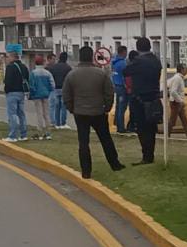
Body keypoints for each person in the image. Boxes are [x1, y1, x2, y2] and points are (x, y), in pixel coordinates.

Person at [63, 46, 125, 179]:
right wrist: (107, 108)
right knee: (106, 139)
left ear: (80, 57)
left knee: (83, 142)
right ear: (92, 57)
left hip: (80, 112)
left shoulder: (72, 74)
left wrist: (71, 108)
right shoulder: (100, 74)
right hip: (98, 111)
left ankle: (86, 171)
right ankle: (115, 164)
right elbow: (109, 92)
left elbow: (66, 94)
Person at [123, 38, 162, 165]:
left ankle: (146, 156)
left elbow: (126, 71)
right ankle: (150, 154)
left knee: (142, 128)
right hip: (154, 98)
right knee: (151, 128)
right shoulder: (156, 60)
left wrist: (130, 61)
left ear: (138, 48)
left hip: (140, 99)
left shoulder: (138, 61)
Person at [2, 51, 30, 142]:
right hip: (21, 92)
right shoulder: (24, 67)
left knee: (12, 114)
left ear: (12, 57)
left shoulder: (10, 67)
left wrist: (6, 90)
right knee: (21, 114)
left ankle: (13, 135)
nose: (7, 59)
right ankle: (23, 135)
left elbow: (8, 81)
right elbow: (27, 78)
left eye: (8, 57)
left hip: (12, 92)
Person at [28, 56, 55, 139]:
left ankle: (39, 131)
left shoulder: (33, 73)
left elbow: (31, 85)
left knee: (39, 113)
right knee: (46, 113)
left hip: (37, 95)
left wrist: (32, 94)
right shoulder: (47, 73)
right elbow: (52, 84)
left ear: (35, 63)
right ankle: (48, 132)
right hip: (46, 95)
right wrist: (48, 91)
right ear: (43, 63)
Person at [167, 64, 187, 140]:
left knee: (184, 120)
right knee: (172, 121)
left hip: (178, 103)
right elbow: (173, 91)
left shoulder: (179, 78)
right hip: (176, 103)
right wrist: (180, 101)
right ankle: (167, 135)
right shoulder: (177, 78)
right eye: (186, 69)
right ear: (182, 70)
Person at [48, 52, 72, 130]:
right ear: (66, 59)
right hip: (64, 89)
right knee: (63, 107)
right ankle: (63, 123)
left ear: (59, 58)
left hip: (55, 88)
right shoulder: (68, 68)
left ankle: (57, 123)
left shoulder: (53, 67)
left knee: (56, 106)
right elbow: (70, 79)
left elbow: (51, 78)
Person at [111, 45, 129, 135]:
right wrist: (127, 87)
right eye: (126, 52)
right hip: (122, 87)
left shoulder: (114, 62)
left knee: (118, 107)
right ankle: (121, 127)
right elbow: (125, 76)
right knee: (122, 108)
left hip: (116, 86)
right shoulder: (123, 63)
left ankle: (118, 124)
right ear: (123, 52)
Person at [124, 50, 139, 134]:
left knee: (132, 109)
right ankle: (132, 126)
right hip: (133, 91)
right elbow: (129, 81)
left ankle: (132, 125)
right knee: (134, 110)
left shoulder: (128, 67)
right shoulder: (132, 68)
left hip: (131, 91)